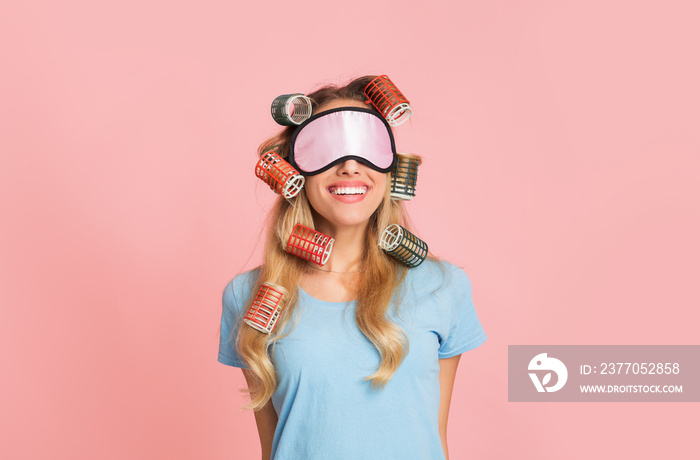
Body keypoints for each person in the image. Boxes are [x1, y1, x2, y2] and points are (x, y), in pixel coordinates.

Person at [218, 75, 487, 460]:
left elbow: (435, 439)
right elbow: (272, 448)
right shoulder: (248, 296)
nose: (349, 166)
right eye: (327, 148)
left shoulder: (443, 286)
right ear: (295, 170)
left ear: (390, 169)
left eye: (367, 149)